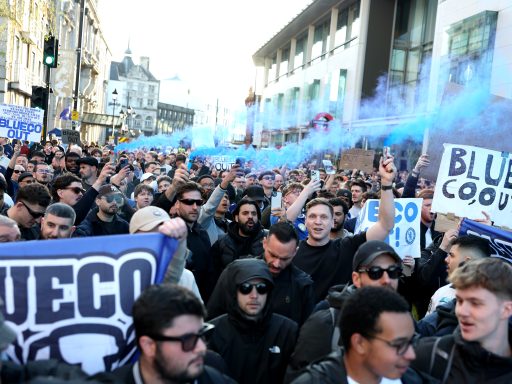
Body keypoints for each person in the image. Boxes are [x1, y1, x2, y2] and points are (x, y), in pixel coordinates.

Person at [287, 240, 404, 377]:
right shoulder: (326, 324)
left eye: (393, 271)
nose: (387, 280)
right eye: (375, 272)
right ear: (356, 279)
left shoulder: (405, 324)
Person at [293, 155, 396, 302]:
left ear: (332, 222)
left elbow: (386, 225)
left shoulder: (346, 247)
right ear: (305, 221)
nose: (318, 222)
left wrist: (386, 183)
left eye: (324, 217)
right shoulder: (293, 254)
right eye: (312, 216)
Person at [90, 284, 235, 384]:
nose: (202, 348)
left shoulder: (218, 379)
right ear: (149, 346)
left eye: (202, 334)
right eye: (188, 340)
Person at [411, 258, 512, 383]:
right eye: (459, 301)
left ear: (506, 309)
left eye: (475, 303)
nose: (461, 311)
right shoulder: (428, 356)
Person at [291, 286, 417, 384]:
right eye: (399, 345)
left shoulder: (417, 380)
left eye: (411, 341)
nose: (411, 354)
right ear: (359, 343)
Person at [208, 258, 298, 384]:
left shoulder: (287, 331)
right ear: (234, 291)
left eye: (261, 288)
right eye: (246, 288)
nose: (254, 295)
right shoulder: (213, 333)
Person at [208, 221, 315, 326]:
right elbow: (213, 317)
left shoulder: (302, 285)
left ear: (295, 252)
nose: (277, 264)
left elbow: (307, 333)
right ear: (264, 243)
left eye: (284, 258)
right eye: (272, 255)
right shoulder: (235, 272)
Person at [129, 206, 201, 299]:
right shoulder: (122, 276)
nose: (158, 243)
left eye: (164, 236)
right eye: (151, 236)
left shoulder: (186, 276)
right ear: (132, 239)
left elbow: (197, 312)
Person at [211, 198, 266, 276]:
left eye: (254, 213)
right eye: (245, 213)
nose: (250, 216)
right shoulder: (222, 242)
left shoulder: (267, 240)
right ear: (236, 218)